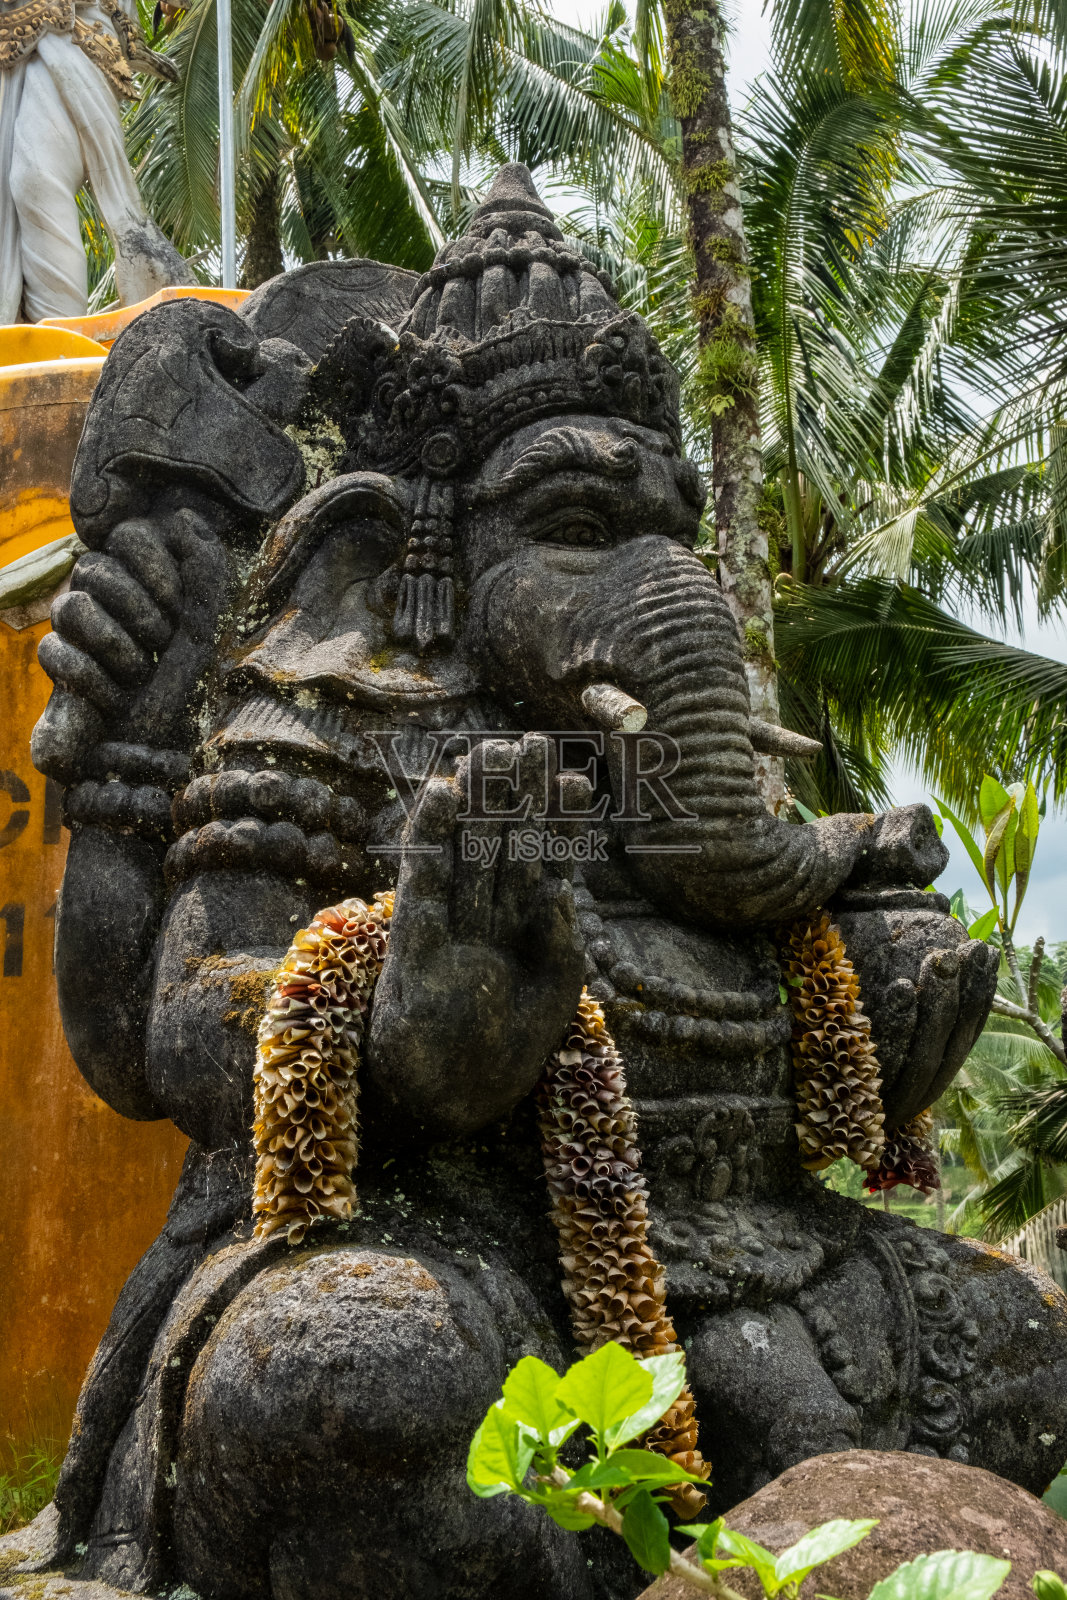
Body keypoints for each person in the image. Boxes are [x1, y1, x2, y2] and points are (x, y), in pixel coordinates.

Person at [0, 0, 190, 323]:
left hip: (80, 41)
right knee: (23, 184)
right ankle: (40, 332)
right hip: (20, 51)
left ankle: (59, 332)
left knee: (36, 176)